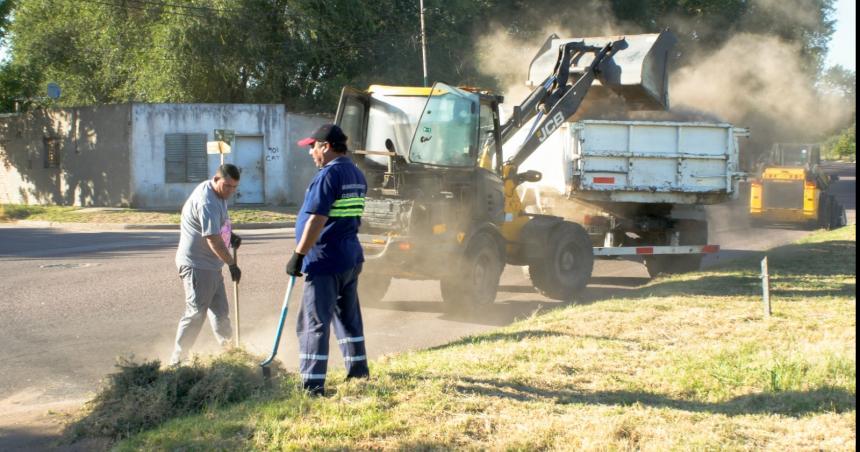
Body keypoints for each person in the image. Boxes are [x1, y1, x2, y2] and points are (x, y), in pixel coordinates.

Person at [286, 124, 369, 395]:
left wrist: (298, 254)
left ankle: (312, 385)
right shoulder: (356, 173)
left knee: (314, 323)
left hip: (324, 261)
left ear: (327, 146)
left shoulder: (328, 176)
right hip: (349, 258)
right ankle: (358, 373)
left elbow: (317, 218)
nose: (310, 152)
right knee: (348, 319)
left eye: (313, 146)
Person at [169, 164, 243, 366]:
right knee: (195, 313)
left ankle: (231, 354)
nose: (230, 191)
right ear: (215, 179)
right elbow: (212, 238)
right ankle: (177, 361)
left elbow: (219, 227)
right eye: (227, 186)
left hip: (211, 265)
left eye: (234, 187)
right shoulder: (207, 202)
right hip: (197, 265)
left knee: (220, 312)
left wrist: (230, 236)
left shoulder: (217, 195)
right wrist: (231, 263)